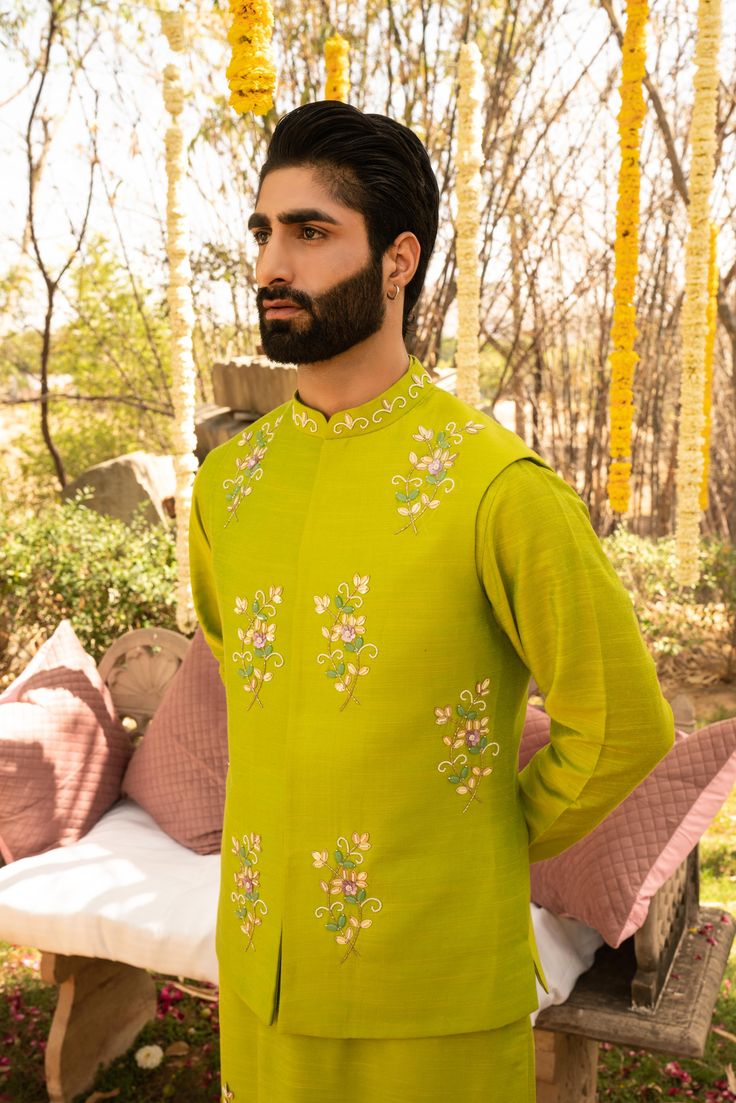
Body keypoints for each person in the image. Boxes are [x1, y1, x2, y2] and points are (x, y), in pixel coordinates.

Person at [189, 99, 674, 1103]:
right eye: (264, 231)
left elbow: (623, 721)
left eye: (310, 231)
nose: (272, 264)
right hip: (259, 982)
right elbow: (249, 679)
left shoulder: (495, 485)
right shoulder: (227, 486)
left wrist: (478, 837)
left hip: (434, 991)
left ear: (398, 259)